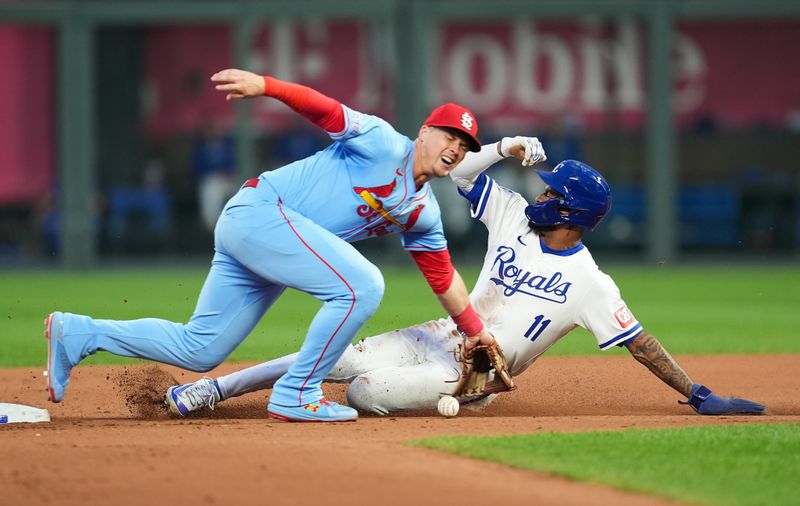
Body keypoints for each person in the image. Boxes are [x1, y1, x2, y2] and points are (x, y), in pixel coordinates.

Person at [44, 68, 530, 423]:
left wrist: (474, 331)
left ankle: (79, 333)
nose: (455, 148)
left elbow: (443, 277)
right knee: (362, 286)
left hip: (270, 246)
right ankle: (296, 391)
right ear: (426, 131)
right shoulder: (384, 142)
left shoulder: (423, 213)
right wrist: (268, 87)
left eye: (465, 147)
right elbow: (326, 109)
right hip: (260, 213)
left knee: (200, 348)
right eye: (449, 135)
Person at [164, 143, 765, 418]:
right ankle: (213, 391)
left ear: (573, 215)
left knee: (365, 391)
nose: (541, 192)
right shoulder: (512, 220)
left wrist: (697, 392)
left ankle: (441, 400)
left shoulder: (590, 283)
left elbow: (640, 341)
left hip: (470, 373)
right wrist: (501, 148)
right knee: (335, 357)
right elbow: (459, 176)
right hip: (439, 334)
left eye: (553, 192)